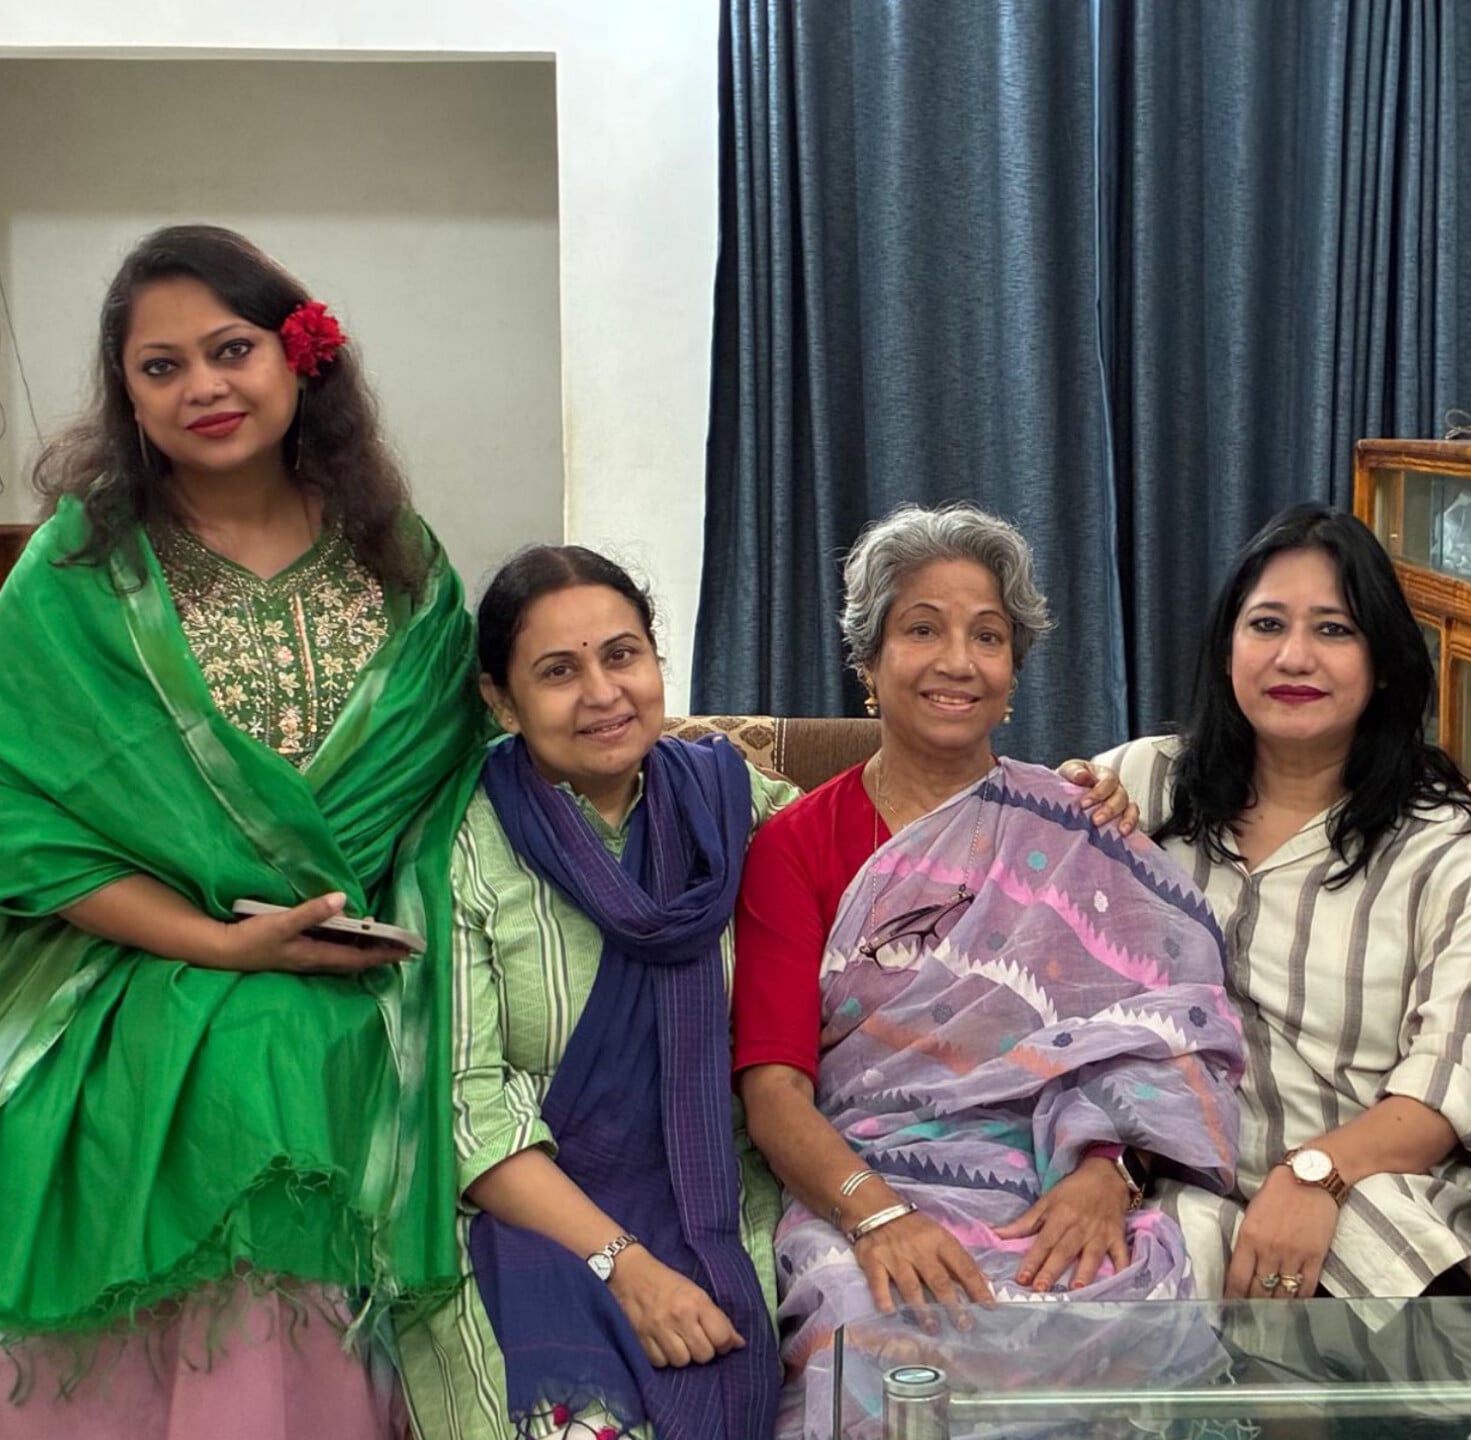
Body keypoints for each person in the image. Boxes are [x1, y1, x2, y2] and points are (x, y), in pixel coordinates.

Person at [0, 225, 487, 1438]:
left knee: (319, 1046)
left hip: (374, 946)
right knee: (244, 1052)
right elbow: (22, 814)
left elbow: (447, 787)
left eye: (231, 350)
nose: (203, 388)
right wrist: (217, 942)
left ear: (297, 357)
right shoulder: (78, 571)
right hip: (133, 951)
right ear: (126, 396)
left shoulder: (398, 557)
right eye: (160, 367)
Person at [732, 504, 1244, 1439]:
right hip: (862, 1175)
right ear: (868, 663)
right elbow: (773, 1093)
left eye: (988, 636)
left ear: (1013, 674)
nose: (958, 662)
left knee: (1125, 1299)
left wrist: (1106, 1172)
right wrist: (878, 1219)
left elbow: (1162, 1027)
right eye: (922, 629)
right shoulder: (795, 846)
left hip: (1047, 1174)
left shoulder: (1074, 826)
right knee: (863, 1321)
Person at [397, 546, 793, 1440]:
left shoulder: (735, 804)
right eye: (558, 672)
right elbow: (468, 1110)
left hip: (720, 1196)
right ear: (501, 700)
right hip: (523, 1221)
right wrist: (625, 1264)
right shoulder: (460, 847)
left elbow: (892, 852)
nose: (603, 693)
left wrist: (1077, 798)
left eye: (622, 656)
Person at [1098, 504, 1471, 1303]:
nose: (1294, 657)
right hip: (1180, 1177)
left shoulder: (1455, 849)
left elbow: (1447, 1088)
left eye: (1334, 630)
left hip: (1381, 1180)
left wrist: (1315, 1174)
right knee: (1129, 1270)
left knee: (1376, 1258)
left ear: (1384, 661)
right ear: (1228, 646)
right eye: (1266, 625)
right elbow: (1029, 896)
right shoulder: (1143, 786)